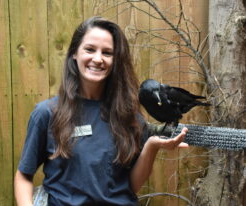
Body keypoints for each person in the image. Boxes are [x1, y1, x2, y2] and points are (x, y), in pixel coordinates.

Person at [14, 16, 188, 206]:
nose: (98, 59)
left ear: (116, 60)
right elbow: (24, 175)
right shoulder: (46, 114)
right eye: (90, 49)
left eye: (107, 53)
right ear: (75, 53)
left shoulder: (129, 117)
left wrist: (152, 146)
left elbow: (130, 186)